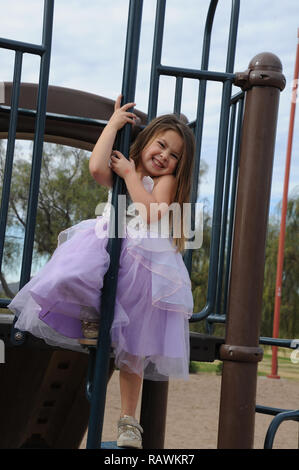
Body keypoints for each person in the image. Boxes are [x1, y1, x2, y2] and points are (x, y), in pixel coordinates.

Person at [8, 95, 195, 449]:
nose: (164, 156)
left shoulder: (162, 181)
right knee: (72, 272)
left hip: (142, 261)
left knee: (134, 350)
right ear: (147, 140)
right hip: (107, 241)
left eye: (174, 156)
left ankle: (128, 421)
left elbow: (152, 212)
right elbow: (96, 168)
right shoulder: (127, 167)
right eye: (161, 145)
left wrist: (128, 175)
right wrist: (112, 126)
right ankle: (92, 318)